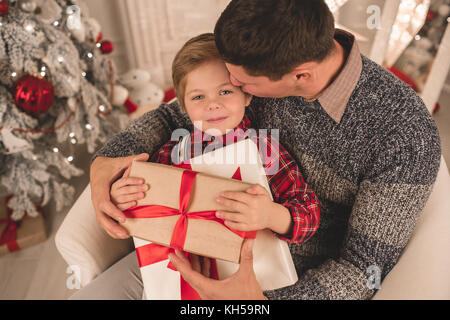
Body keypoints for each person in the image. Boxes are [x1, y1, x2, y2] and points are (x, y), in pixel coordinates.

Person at [87, 0, 441, 300]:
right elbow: (174, 114)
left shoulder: (405, 137)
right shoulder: (263, 58)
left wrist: (257, 302)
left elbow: (363, 268)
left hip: (279, 279)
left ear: (300, 76)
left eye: (239, 83)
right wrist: (109, 159)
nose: (232, 88)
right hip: (186, 245)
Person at [111, 33, 320, 245]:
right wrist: (123, 197)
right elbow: (145, 205)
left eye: (225, 91)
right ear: (183, 106)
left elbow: (309, 215)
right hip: (175, 263)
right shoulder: (173, 151)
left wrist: (270, 215)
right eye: (198, 97)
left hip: (248, 267)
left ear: (247, 95)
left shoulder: (263, 149)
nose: (212, 104)